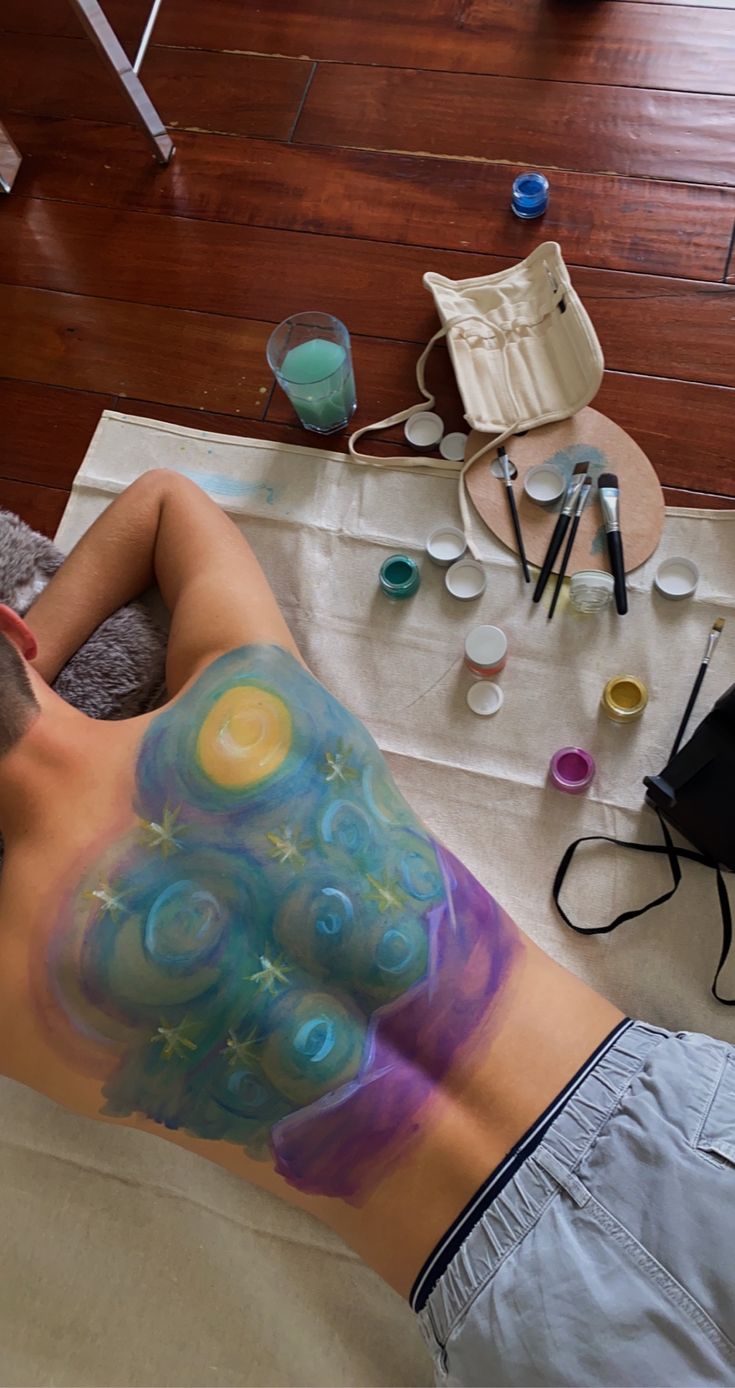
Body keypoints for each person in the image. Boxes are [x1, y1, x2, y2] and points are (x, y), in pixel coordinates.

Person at [0, 468, 732, 1387]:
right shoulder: (247, 693)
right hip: (671, 1109)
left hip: (518, 1306)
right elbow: (161, 503)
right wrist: (22, 669)